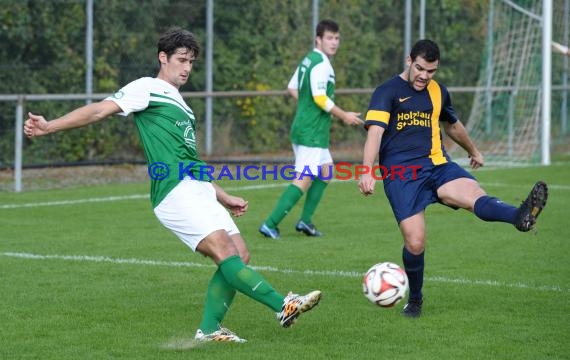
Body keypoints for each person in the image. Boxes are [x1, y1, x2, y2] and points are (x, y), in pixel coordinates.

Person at [24, 27, 321, 343]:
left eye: (191, 62)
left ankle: (209, 329)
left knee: (240, 254)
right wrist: (50, 126)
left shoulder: (183, 106)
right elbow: (99, 110)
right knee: (224, 250)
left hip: (198, 189)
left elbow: (190, 160)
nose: (187, 68)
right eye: (181, 60)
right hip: (173, 191)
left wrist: (223, 196)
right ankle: (283, 305)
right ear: (162, 58)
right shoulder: (146, 88)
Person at [358, 39, 548, 318]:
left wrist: (474, 150)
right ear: (409, 61)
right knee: (415, 242)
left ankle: (519, 216)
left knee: (474, 195)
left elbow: (452, 125)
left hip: (438, 165)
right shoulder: (386, 91)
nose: (424, 76)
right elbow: (374, 132)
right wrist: (366, 170)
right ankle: (416, 300)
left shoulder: (438, 92)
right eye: (420, 68)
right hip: (402, 176)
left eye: (431, 71)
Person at [259, 19, 363, 240]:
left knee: (326, 171)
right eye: (329, 38)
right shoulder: (322, 64)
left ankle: (305, 222)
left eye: (337, 38)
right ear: (318, 39)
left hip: (307, 127)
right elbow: (319, 97)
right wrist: (344, 115)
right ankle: (270, 224)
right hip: (311, 132)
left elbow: (292, 87)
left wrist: (307, 107)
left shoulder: (310, 59)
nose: (334, 42)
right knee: (304, 178)